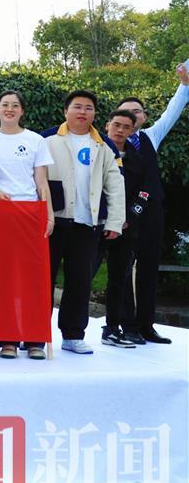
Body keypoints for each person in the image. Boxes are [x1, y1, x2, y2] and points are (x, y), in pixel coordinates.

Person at [43, 90, 125, 356]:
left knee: (80, 282)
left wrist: (114, 221)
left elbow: (115, 185)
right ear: (65, 111)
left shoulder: (104, 145)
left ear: (95, 114)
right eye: (77, 107)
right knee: (42, 280)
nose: (83, 112)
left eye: (88, 108)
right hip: (52, 222)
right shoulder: (46, 139)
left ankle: (73, 334)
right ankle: (36, 335)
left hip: (87, 223)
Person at [115, 65, 189, 345]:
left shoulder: (151, 136)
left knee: (148, 267)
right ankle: (127, 324)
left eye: (137, 111)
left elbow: (173, 110)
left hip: (152, 211)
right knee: (123, 268)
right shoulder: (109, 142)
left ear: (144, 117)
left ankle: (146, 325)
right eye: (126, 112)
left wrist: (184, 85)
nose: (132, 115)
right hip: (123, 213)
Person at [0, 90, 55, 360]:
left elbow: (42, 182)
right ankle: (8, 340)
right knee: (3, 279)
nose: (10, 109)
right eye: (5, 105)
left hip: (30, 214)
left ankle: (35, 339)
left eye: (15, 105)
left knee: (31, 279)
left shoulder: (35, 140)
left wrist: (48, 214)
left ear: (22, 111)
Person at [99, 109, 149, 348]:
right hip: (95, 225)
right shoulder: (95, 151)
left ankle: (112, 328)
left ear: (132, 131)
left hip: (126, 228)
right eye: (116, 125)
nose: (120, 130)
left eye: (126, 127)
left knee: (119, 279)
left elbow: (145, 193)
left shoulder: (138, 160)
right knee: (82, 276)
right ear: (107, 125)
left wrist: (127, 218)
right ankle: (71, 333)